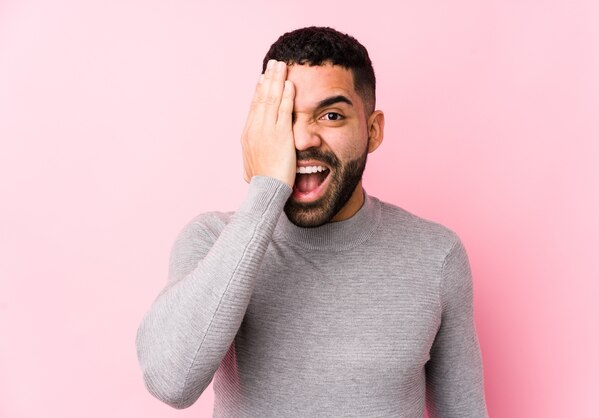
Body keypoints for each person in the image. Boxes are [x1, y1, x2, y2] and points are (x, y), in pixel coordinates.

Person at [136, 26, 488, 417]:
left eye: (332, 115)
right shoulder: (212, 240)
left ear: (372, 131)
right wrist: (265, 191)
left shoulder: (436, 255)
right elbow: (171, 382)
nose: (302, 139)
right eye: (284, 117)